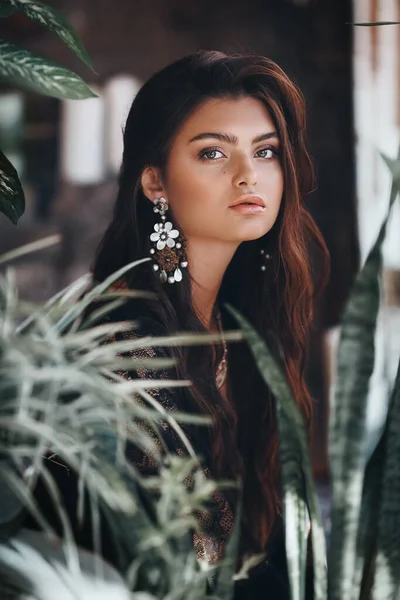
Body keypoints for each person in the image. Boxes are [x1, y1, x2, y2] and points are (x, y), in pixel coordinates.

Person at [27, 50, 329, 599]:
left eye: (267, 152)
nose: (248, 175)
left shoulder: (240, 327)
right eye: (213, 152)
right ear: (155, 181)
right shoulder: (119, 351)